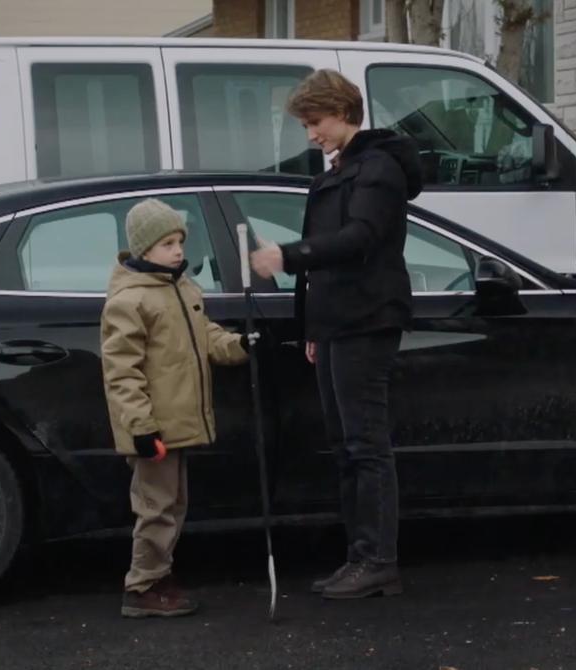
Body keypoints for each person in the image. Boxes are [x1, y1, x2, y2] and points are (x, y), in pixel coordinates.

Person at [250, 69, 423, 599]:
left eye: (316, 121)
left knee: (366, 445)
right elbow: (326, 255)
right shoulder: (343, 169)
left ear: (345, 113)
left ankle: (378, 561)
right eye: (306, 124)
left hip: (366, 321)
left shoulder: (378, 170)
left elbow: (360, 238)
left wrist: (286, 256)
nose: (311, 135)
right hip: (336, 324)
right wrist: (312, 328)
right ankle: (361, 558)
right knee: (346, 446)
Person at [102, 198, 252, 617]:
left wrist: (241, 346)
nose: (177, 251)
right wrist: (140, 428)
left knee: (172, 504)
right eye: (167, 243)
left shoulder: (181, 287)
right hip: (154, 428)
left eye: (179, 241)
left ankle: (159, 574)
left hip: (179, 422)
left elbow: (206, 336)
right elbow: (121, 373)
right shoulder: (130, 300)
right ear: (143, 249)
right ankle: (142, 586)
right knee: (154, 507)